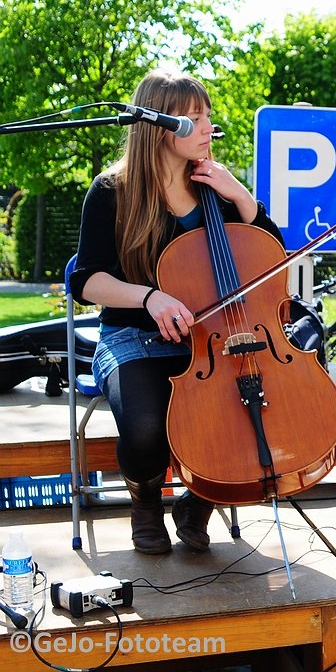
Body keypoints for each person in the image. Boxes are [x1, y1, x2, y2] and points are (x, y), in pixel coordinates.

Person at [70, 69, 284, 554]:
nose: (208, 127)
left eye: (208, 115)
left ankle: (198, 499)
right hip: (131, 336)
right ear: (160, 126)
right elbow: (86, 280)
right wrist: (149, 296)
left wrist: (241, 197)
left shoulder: (215, 189)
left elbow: (271, 255)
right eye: (193, 117)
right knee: (146, 430)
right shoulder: (110, 192)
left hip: (211, 338)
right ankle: (146, 501)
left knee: (248, 410)